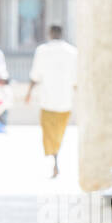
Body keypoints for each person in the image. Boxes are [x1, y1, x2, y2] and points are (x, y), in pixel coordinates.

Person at [26, 25, 77, 178]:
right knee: (59, 133)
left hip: (47, 101)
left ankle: (55, 159)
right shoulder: (72, 52)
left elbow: (35, 76)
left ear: (50, 34)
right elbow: (77, 79)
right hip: (64, 101)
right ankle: (56, 158)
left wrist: (28, 93)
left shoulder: (42, 51)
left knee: (50, 134)